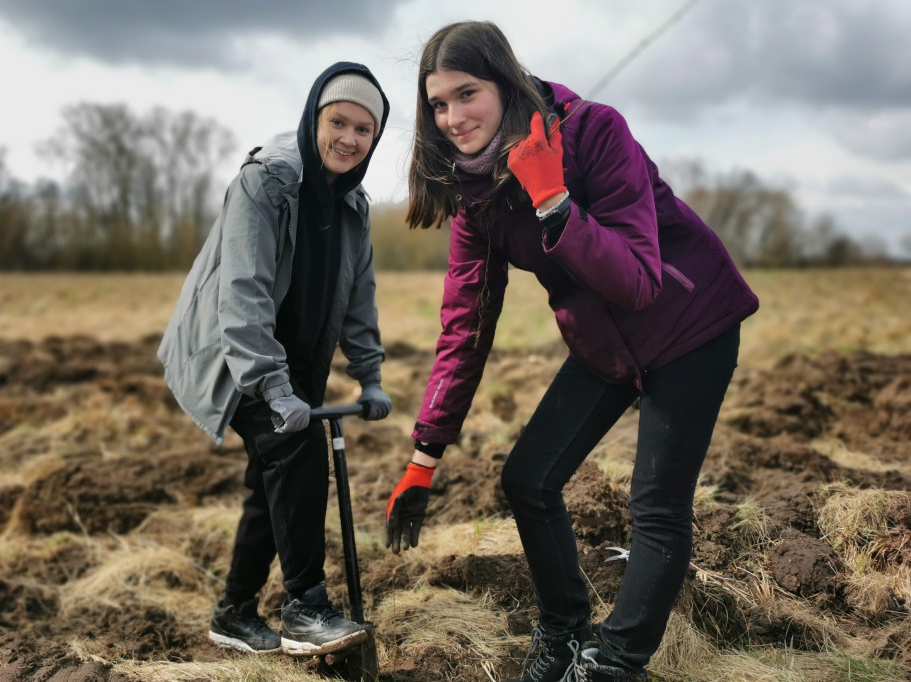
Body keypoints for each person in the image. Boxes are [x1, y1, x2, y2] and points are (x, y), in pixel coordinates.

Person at [384, 21, 758, 682]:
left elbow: (639, 282)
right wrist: (425, 453)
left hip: (689, 322)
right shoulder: (477, 196)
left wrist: (554, 198)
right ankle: (562, 628)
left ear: (504, 82)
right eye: (437, 104)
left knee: (656, 506)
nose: (452, 117)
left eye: (466, 94)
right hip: (602, 340)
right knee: (528, 478)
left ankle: (614, 664)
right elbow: (464, 326)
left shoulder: (595, 131)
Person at [158, 62, 393, 657]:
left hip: (298, 363)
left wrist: (368, 375)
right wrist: (272, 385)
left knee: (271, 485)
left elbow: (358, 295)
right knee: (295, 451)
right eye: (337, 121)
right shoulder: (265, 184)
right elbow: (244, 291)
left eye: (364, 130)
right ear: (314, 117)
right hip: (237, 355)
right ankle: (306, 605)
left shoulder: (353, 205)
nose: (348, 138)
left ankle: (234, 612)